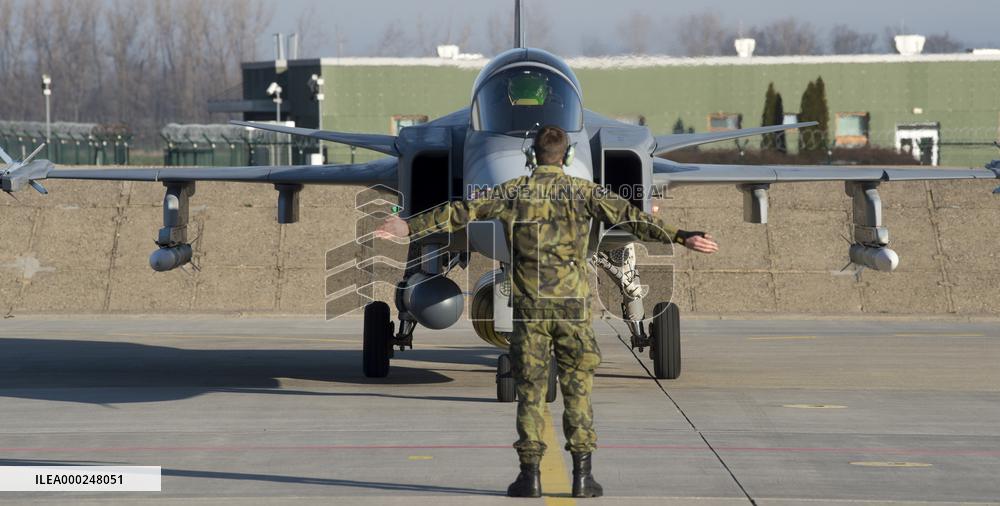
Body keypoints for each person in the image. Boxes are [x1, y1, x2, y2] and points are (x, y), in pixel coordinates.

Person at [376, 126, 719, 498]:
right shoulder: (586, 193)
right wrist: (683, 236)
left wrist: (407, 225)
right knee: (578, 392)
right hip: (572, 312)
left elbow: (459, 212)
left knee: (531, 394)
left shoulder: (513, 192)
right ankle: (583, 477)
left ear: (531, 157)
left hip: (530, 311)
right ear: (568, 157)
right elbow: (634, 220)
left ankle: (529, 477)